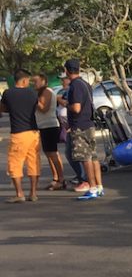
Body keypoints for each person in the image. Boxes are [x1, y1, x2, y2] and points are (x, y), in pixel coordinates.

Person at [65, 59, 103, 200]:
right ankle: (99, 186)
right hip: (89, 124)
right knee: (93, 156)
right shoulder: (86, 84)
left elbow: (76, 108)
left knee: (85, 157)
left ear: (67, 71)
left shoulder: (75, 86)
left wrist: (65, 104)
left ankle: (91, 187)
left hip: (79, 126)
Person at [2, 69, 41, 203]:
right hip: (34, 133)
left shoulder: (8, 93)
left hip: (18, 133)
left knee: (15, 164)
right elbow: (35, 107)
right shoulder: (33, 93)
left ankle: (19, 193)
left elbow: (3, 108)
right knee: (33, 163)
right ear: (24, 80)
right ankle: (33, 193)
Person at [34, 73, 64, 191]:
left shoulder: (47, 91)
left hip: (49, 126)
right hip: (42, 126)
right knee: (48, 153)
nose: (34, 84)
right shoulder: (41, 92)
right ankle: (55, 178)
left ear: (43, 81)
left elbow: (43, 108)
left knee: (53, 153)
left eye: (36, 82)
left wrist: (34, 100)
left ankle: (61, 179)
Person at [56, 76, 87, 191]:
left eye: (64, 79)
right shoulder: (66, 90)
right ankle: (82, 177)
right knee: (71, 153)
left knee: (78, 154)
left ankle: (85, 179)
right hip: (68, 125)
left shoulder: (75, 88)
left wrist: (60, 100)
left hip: (75, 125)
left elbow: (73, 106)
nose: (63, 81)